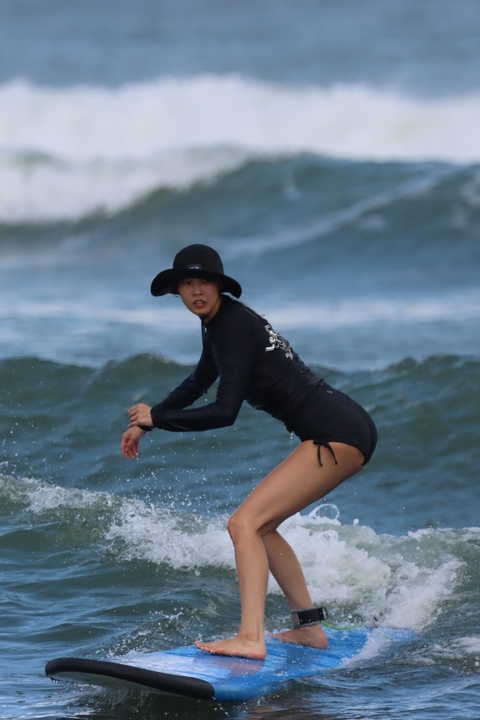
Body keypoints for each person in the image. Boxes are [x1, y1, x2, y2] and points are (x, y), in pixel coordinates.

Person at [121, 244, 377, 661]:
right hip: (341, 427)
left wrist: (158, 420)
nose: (196, 290)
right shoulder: (220, 325)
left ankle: (249, 638)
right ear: (177, 291)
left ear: (220, 285)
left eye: (204, 281)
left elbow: (225, 411)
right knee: (261, 527)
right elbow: (200, 378)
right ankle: (310, 629)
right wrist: (148, 420)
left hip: (336, 432)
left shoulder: (232, 326)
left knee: (242, 524)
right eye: (187, 283)